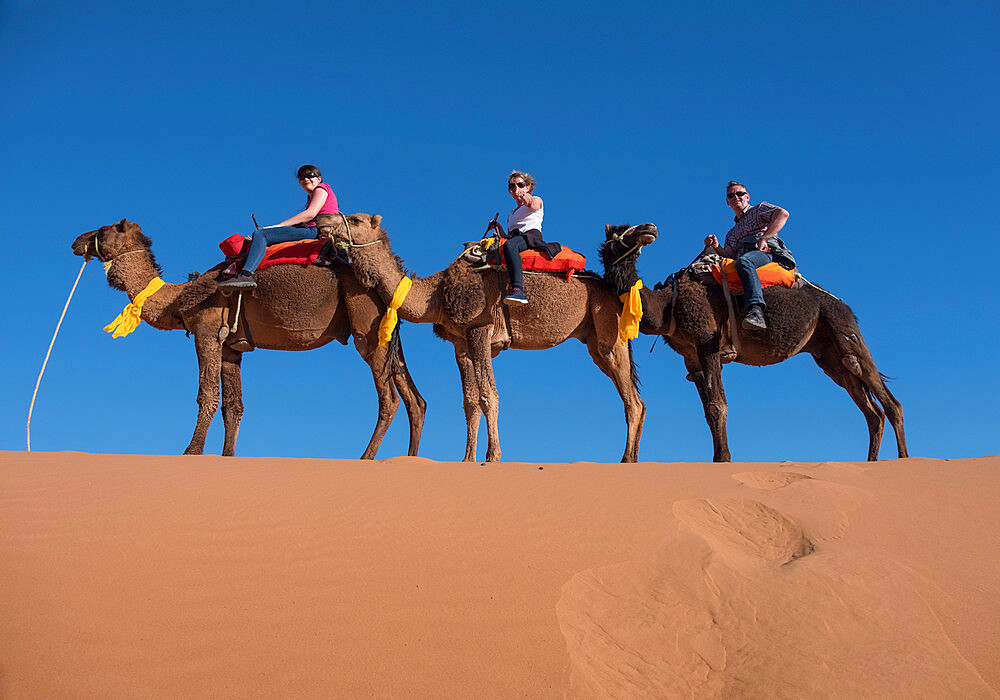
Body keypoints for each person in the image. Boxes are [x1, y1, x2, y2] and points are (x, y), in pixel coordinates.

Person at [220, 164, 339, 288]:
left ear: (319, 178)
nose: (306, 179)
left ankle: (246, 274)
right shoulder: (311, 197)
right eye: (302, 177)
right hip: (314, 230)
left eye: (310, 175)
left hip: (316, 231)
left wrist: (279, 226)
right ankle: (238, 264)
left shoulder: (322, 188)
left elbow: (310, 214)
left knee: (261, 235)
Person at [704, 181, 793, 330]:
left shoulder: (759, 209)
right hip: (742, 259)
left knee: (745, 262)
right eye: (731, 195)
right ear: (727, 201)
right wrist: (715, 246)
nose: (736, 197)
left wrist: (764, 238)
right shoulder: (731, 233)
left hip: (764, 254)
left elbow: (782, 214)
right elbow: (729, 254)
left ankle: (756, 310)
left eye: (739, 193)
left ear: (747, 197)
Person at [499, 170, 560, 304]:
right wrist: (497, 227)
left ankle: (518, 290)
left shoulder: (537, 199)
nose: (516, 188)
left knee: (510, 246)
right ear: (509, 191)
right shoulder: (511, 214)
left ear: (527, 187)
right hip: (516, 238)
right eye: (512, 186)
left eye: (520, 185)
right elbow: (508, 236)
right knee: (505, 245)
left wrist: (524, 195)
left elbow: (532, 203)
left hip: (531, 236)